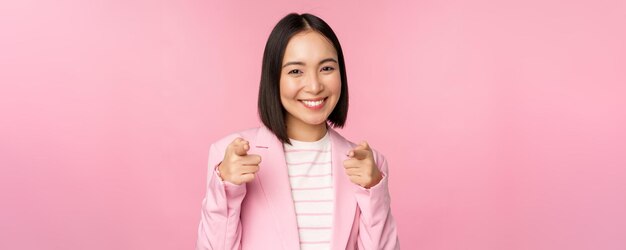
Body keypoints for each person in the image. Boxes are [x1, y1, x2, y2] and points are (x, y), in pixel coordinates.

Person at [195, 12, 400, 250]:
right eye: (295, 71)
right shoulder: (229, 156)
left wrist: (373, 190)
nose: (314, 86)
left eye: (326, 68)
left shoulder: (371, 166)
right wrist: (226, 187)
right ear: (274, 78)